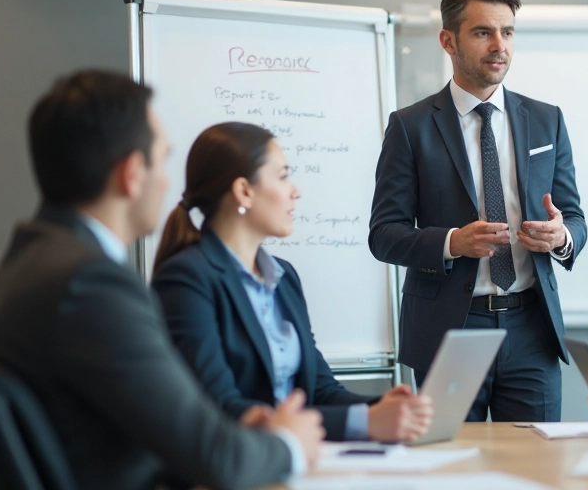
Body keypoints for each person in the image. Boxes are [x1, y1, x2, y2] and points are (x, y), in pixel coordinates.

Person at [0, 71, 323, 490]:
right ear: (132, 173)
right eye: (162, 159)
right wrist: (289, 442)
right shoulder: (91, 285)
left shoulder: (34, 258)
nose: (166, 180)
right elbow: (216, 459)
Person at [368, 0, 587, 421]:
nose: (499, 45)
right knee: (450, 457)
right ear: (448, 41)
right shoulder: (410, 127)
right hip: (450, 329)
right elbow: (384, 235)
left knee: (534, 458)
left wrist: (561, 237)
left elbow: (575, 219)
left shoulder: (547, 120)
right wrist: (453, 242)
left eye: (507, 32)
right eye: (483, 32)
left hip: (532, 328)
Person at [151, 122, 433, 443]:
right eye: (283, 176)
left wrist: (384, 408)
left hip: (302, 458)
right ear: (244, 191)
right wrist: (365, 421)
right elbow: (220, 406)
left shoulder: (283, 277)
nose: (295, 191)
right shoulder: (187, 279)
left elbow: (321, 390)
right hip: (243, 460)